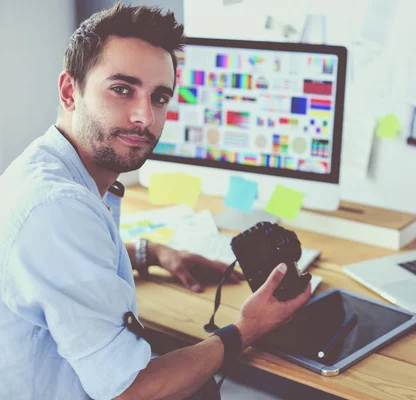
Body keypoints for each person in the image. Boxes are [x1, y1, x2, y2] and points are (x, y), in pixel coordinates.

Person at [0, 4, 311, 400]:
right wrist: (245, 329)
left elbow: (62, 266)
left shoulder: (43, 169)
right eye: (122, 89)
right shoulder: (56, 208)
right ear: (69, 91)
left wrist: (152, 253)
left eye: (160, 97)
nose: (144, 117)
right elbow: (130, 391)